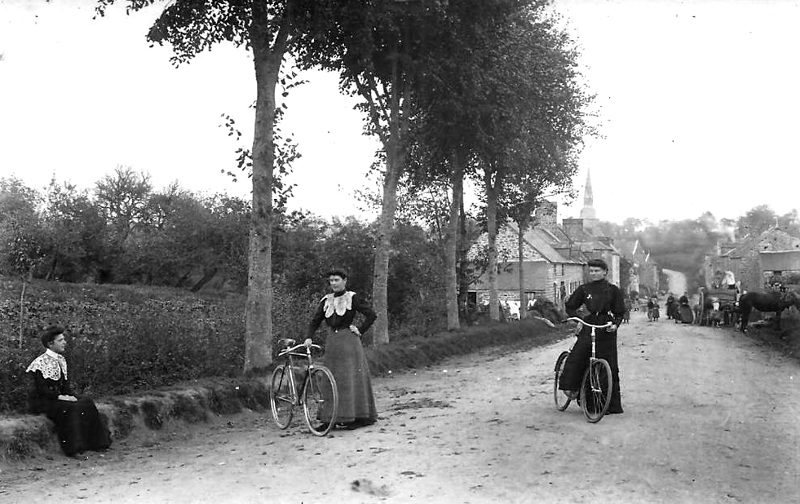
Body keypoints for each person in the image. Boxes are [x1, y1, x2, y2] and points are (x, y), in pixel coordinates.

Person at [306, 268, 378, 430]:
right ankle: (329, 420)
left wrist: (360, 329)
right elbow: (315, 321)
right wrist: (309, 337)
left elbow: (371, 315)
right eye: (331, 281)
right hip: (333, 343)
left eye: (337, 280)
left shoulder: (352, 298)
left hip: (349, 342)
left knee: (350, 378)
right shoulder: (326, 300)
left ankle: (357, 417)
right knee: (331, 379)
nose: (334, 284)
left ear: (344, 281)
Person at [26, 326, 111, 457]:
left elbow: (66, 387)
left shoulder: (61, 360)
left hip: (58, 398)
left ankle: (97, 443)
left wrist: (75, 396)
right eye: (60, 340)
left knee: (86, 402)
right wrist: (62, 397)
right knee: (70, 408)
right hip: (44, 401)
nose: (64, 342)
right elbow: (42, 390)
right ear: (50, 344)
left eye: (64, 339)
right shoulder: (39, 363)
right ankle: (73, 449)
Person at [559, 258, 626, 414]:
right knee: (580, 354)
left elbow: (619, 312)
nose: (594, 274)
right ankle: (575, 391)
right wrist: (579, 320)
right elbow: (570, 306)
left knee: (608, 363)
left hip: (606, 327)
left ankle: (609, 404)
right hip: (589, 324)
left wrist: (615, 324)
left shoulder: (613, 290)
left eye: (597, 271)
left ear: (605, 272)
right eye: (591, 271)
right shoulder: (584, 289)